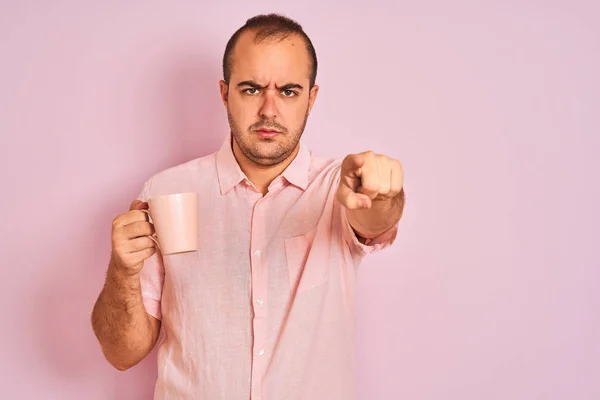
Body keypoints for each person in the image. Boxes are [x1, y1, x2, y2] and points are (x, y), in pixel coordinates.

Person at [91, 13, 405, 400]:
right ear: (225, 93)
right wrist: (122, 272)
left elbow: (374, 219)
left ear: (312, 96)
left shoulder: (337, 187)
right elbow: (122, 354)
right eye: (252, 89)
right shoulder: (166, 190)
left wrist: (384, 196)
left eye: (288, 91)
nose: (269, 110)